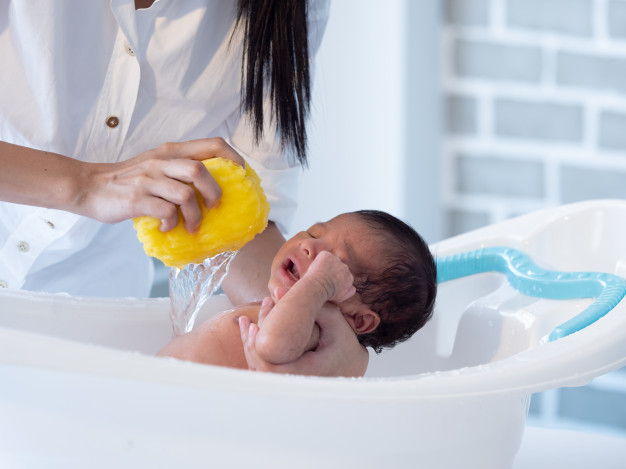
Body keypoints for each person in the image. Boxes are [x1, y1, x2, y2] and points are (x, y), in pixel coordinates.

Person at [0, 0, 329, 303]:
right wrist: (86, 184)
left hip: (92, 304)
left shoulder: (290, 8)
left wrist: (296, 318)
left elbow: (248, 226)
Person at [157, 210, 438, 377]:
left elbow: (270, 346)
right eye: (315, 233)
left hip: (174, 406)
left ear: (359, 320)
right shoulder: (293, 311)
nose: (307, 245)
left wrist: (317, 286)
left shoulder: (316, 331)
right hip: (164, 396)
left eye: (332, 262)